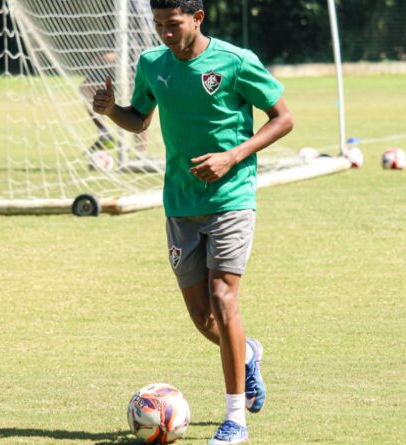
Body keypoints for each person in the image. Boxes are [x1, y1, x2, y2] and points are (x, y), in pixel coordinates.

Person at [92, 1, 293, 443]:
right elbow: (139, 117)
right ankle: (248, 354)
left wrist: (232, 156)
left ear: (198, 19)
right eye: (158, 24)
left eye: (173, 24)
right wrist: (112, 111)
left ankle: (235, 420)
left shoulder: (236, 62)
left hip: (231, 199)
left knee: (225, 298)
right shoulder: (152, 63)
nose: (164, 32)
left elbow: (284, 118)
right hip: (180, 202)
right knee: (204, 319)